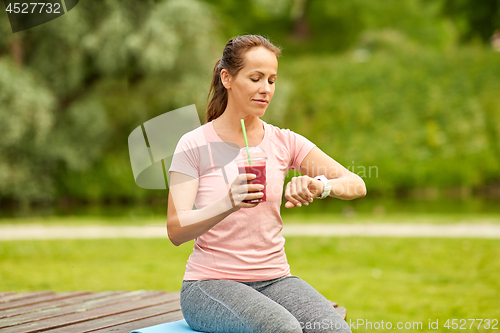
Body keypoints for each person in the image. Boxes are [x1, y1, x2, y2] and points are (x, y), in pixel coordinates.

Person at [167, 35, 366, 333]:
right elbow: (176, 229)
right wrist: (227, 203)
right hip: (209, 284)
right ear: (227, 78)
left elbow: (355, 184)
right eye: (256, 78)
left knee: (333, 329)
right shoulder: (194, 144)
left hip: (275, 279)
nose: (266, 89)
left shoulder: (284, 141)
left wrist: (319, 185)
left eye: (271, 80)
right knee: (281, 328)